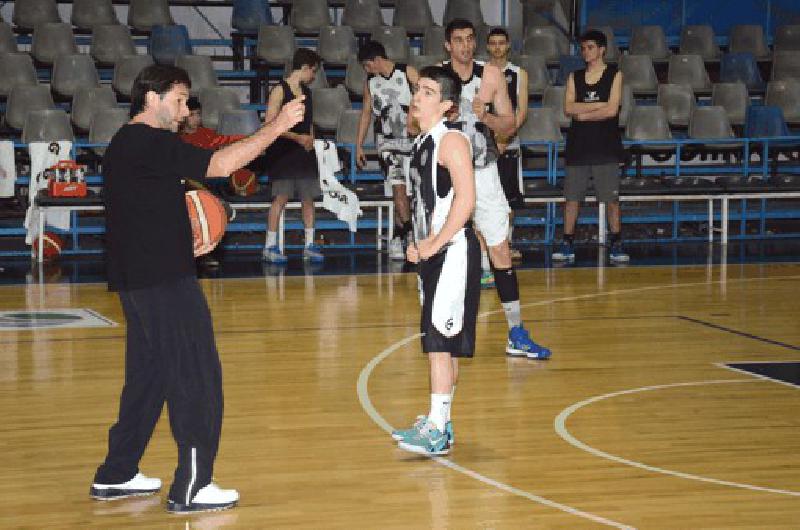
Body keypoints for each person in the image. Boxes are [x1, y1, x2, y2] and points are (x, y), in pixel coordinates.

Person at [90, 64, 305, 513]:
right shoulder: (148, 140)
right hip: (163, 279)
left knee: (148, 379)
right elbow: (222, 164)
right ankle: (193, 485)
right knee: (197, 377)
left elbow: (145, 210)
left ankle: (117, 473)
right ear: (152, 98)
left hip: (139, 277)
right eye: (180, 99)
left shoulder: (127, 144)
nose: (186, 110)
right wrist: (277, 126)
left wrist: (180, 232)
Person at [442, 18, 551, 359]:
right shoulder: (435, 78)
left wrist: (486, 117)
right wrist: (445, 113)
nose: (465, 45)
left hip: (483, 170)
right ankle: (445, 328)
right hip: (448, 174)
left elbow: (510, 122)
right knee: (446, 252)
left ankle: (516, 332)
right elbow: (415, 122)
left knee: (500, 251)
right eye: (458, 40)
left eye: (469, 39)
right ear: (448, 45)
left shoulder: (490, 76)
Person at [393, 65, 478, 455]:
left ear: (446, 105)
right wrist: (418, 243)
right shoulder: (422, 143)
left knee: (438, 344)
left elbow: (466, 200)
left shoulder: (451, 141)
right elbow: (430, 206)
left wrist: (434, 244)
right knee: (441, 341)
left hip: (454, 251)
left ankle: (438, 429)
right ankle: (440, 420)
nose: (417, 95)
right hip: (434, 252)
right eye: (417, 89)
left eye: (428, 91)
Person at [554, 29, 629, 263]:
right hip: (579, 146)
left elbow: (612, 110)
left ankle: (616, 242)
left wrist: (584, 112)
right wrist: (599, 105)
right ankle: (567, 242)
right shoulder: (574, 77)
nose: (585, 52)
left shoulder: (615, 75)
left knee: (611, 200)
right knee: (572, 198)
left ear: (602, 49)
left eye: (590, 47)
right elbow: (569, 108)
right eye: (583, 48)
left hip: (606, 147)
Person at [356, 41, 419, 261]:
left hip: (413, 141)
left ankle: (401, 234)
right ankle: (411, 236)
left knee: (412, 194)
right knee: (398, 189)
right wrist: (359, 145)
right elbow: (366, 113)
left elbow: (426, 100)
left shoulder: (407, 72)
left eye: (366, 65)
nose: (366, 70)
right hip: (386, 144)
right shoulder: (371, 82)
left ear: (375, 61)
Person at [261, 48, 324, 264]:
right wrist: (297, 137)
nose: (313, 76)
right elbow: (270, 123)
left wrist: (310, 141)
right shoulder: (279, 90)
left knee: (308, 199)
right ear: (305, 67)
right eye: (313, 71)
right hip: (283, 151)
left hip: (303, 152)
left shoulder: (308, 93)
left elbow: (309, 123)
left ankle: (309, 244)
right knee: (280, 198)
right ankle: (270, 245)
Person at [486, 27, 528, 262]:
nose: (497, 47)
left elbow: (521, 111)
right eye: (493, 43)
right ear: (488, 46)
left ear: (508, 45)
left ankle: (506, 243)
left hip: (509, 145)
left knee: (508, 199)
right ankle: (486, 247)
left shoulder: (519, 73)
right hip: (483, 147)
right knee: (484, 197)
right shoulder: (481, 72)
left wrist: (504, 138)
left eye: (502, 42)